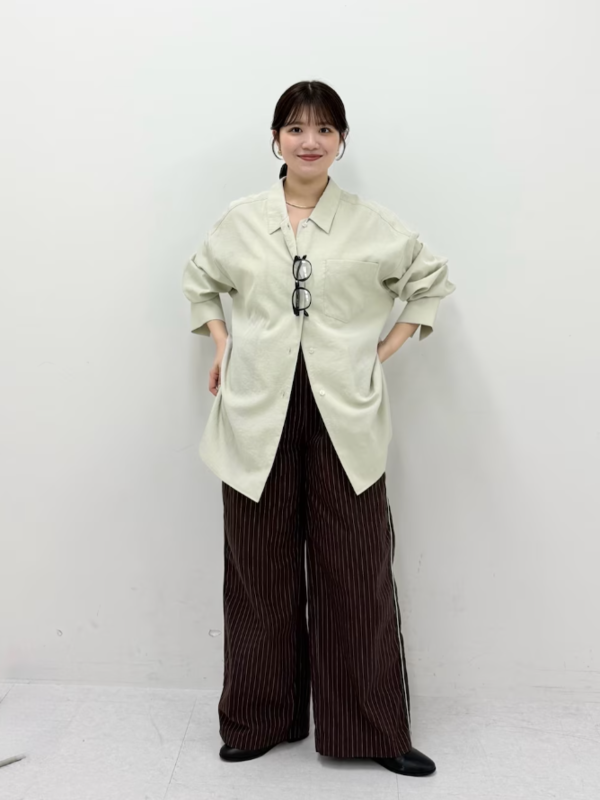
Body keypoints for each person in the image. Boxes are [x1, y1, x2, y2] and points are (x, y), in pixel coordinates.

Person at [181, 80, 456, 777]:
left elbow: (429, 281)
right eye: (296, 128)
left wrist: (380, 352)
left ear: (341, 142)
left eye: (325, 129)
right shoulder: (241, 221)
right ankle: (259, 719)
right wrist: (222, 342)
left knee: (357, 572)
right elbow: (200, 279)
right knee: (259, 571)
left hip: (344, 412)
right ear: (275, 139)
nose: (310, 141)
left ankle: (373, 730)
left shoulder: (372, 225)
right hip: (256, 409)